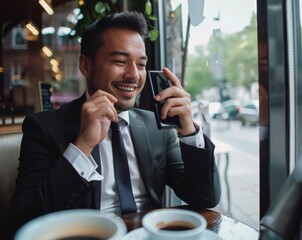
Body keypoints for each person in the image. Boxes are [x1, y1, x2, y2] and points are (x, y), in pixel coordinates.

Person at [4, 11, 221, 238]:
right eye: (120, 61)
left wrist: (189, 131)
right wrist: (82, 147)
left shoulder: (154, 126)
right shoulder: (43, 128)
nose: (133, 75)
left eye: (140, 64)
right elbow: (23, 221)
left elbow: (205, 198)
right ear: (86, 66)